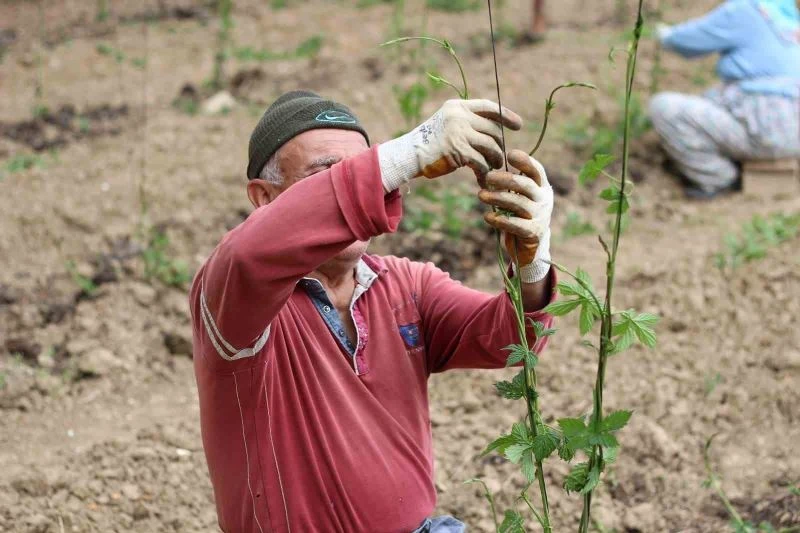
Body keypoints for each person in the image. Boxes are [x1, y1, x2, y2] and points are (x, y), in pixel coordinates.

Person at [190, 90, 557, 533]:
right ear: (266, 198)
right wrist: (413, 149)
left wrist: (533, 265)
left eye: (361, 171)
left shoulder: (406, 285)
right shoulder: (239, 303)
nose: (365, 189)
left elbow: (511, 340)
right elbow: (248, 254)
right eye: (325, 175)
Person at [649, 0, 800, 199]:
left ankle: (719, 178)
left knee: (665, 108)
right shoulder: (786, 15)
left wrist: (660, 34)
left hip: (765, 129)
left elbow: (687, 41)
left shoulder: (745, 7)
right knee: (713, 96)